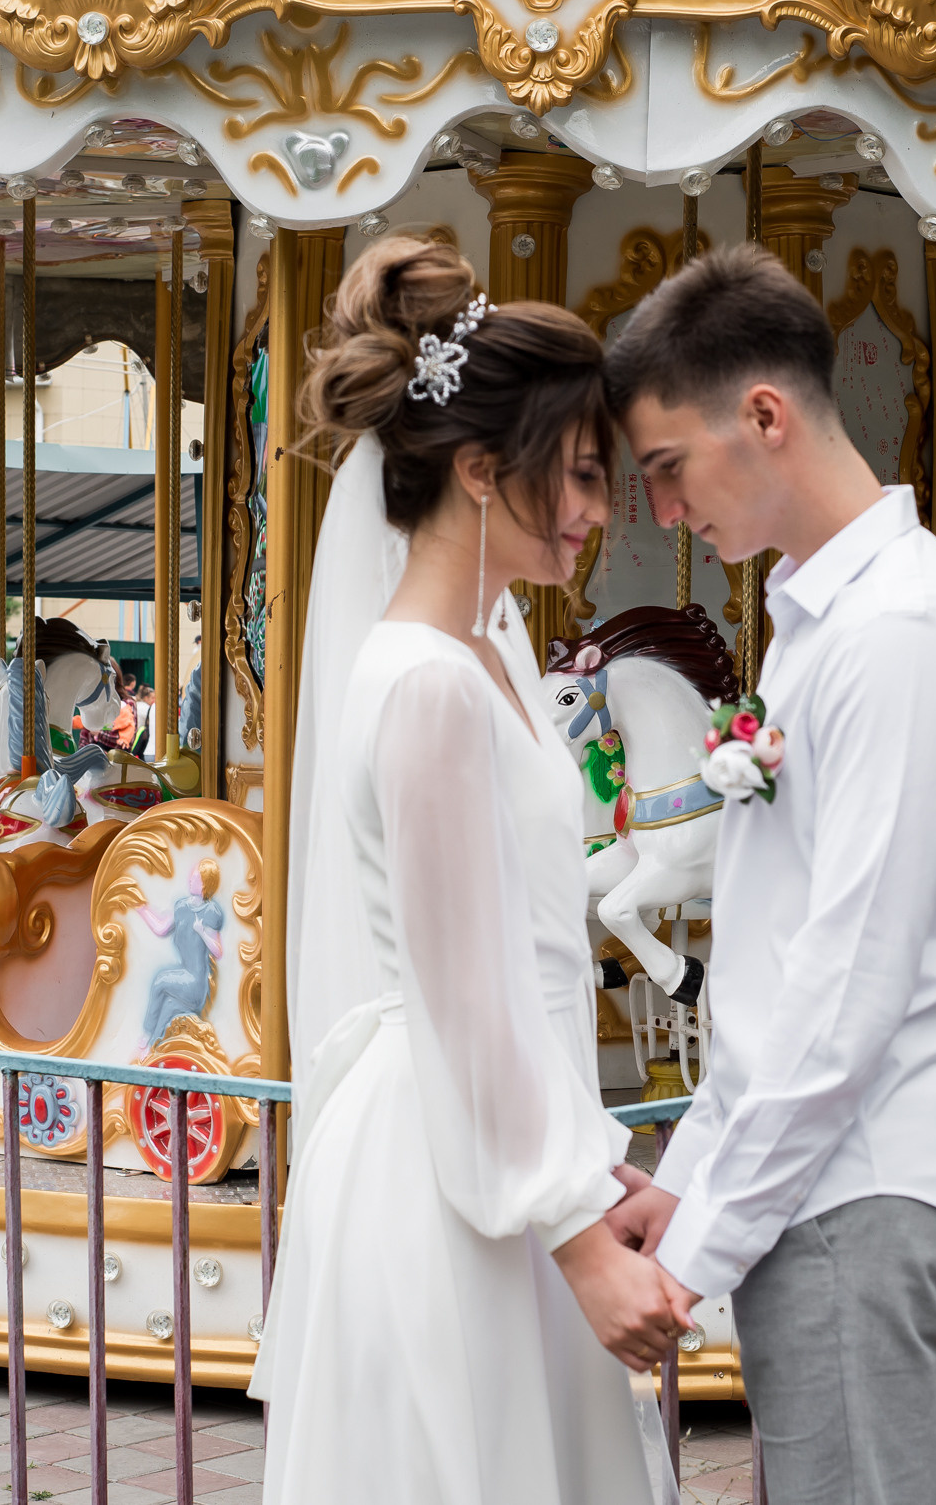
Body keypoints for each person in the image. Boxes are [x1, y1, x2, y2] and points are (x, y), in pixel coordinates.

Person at [249, 237, 688, 1505]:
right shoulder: (429, 683)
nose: (602, 511)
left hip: (514, 1152)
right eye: (583, 474)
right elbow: (463, 991)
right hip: (457, 1180)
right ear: (484, 471)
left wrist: (595, 1167)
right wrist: (573, 1231)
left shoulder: (490, 649)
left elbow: (528, 955)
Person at [599, 245, 936, 1505]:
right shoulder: (826, 622)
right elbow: (782, 977)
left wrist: (696, 1253)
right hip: (833, 1175)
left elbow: (850, 988)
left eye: (670, 470)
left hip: (862, 1181)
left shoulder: (894, 630)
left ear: (766, 416)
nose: (669, 514)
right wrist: (683, 1185)